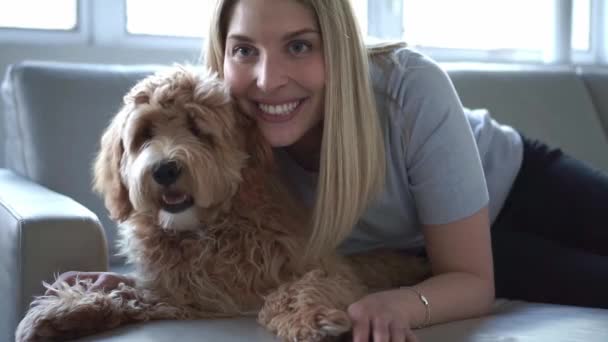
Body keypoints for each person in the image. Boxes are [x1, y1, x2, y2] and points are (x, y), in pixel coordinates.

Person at [49, 0, 608, 341]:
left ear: (337, 48)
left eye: (299, 46)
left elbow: (470, 277)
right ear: (222, 55)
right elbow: (232, 262)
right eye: (245, 50)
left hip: (516, 185)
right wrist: (137, 287)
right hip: (434, 256)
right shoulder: (222, 135)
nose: (268, 79)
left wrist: (403, 305)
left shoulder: (407, 87)